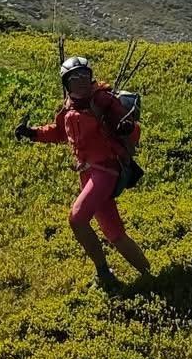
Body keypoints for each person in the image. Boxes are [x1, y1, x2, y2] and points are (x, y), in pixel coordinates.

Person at [14, 56, 151, 285]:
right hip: (87, 174)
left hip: (106, 171)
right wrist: (32, 133)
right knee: (114, 233)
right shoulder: (69, 108)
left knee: (77, 219)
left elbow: (127, 125)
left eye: (84, 76)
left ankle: (104, 274)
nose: (81, 81)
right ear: (66, 83)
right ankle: (149, 275)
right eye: (74, 77)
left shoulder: (102, 100)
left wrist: (126, 127)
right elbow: (59, 133)